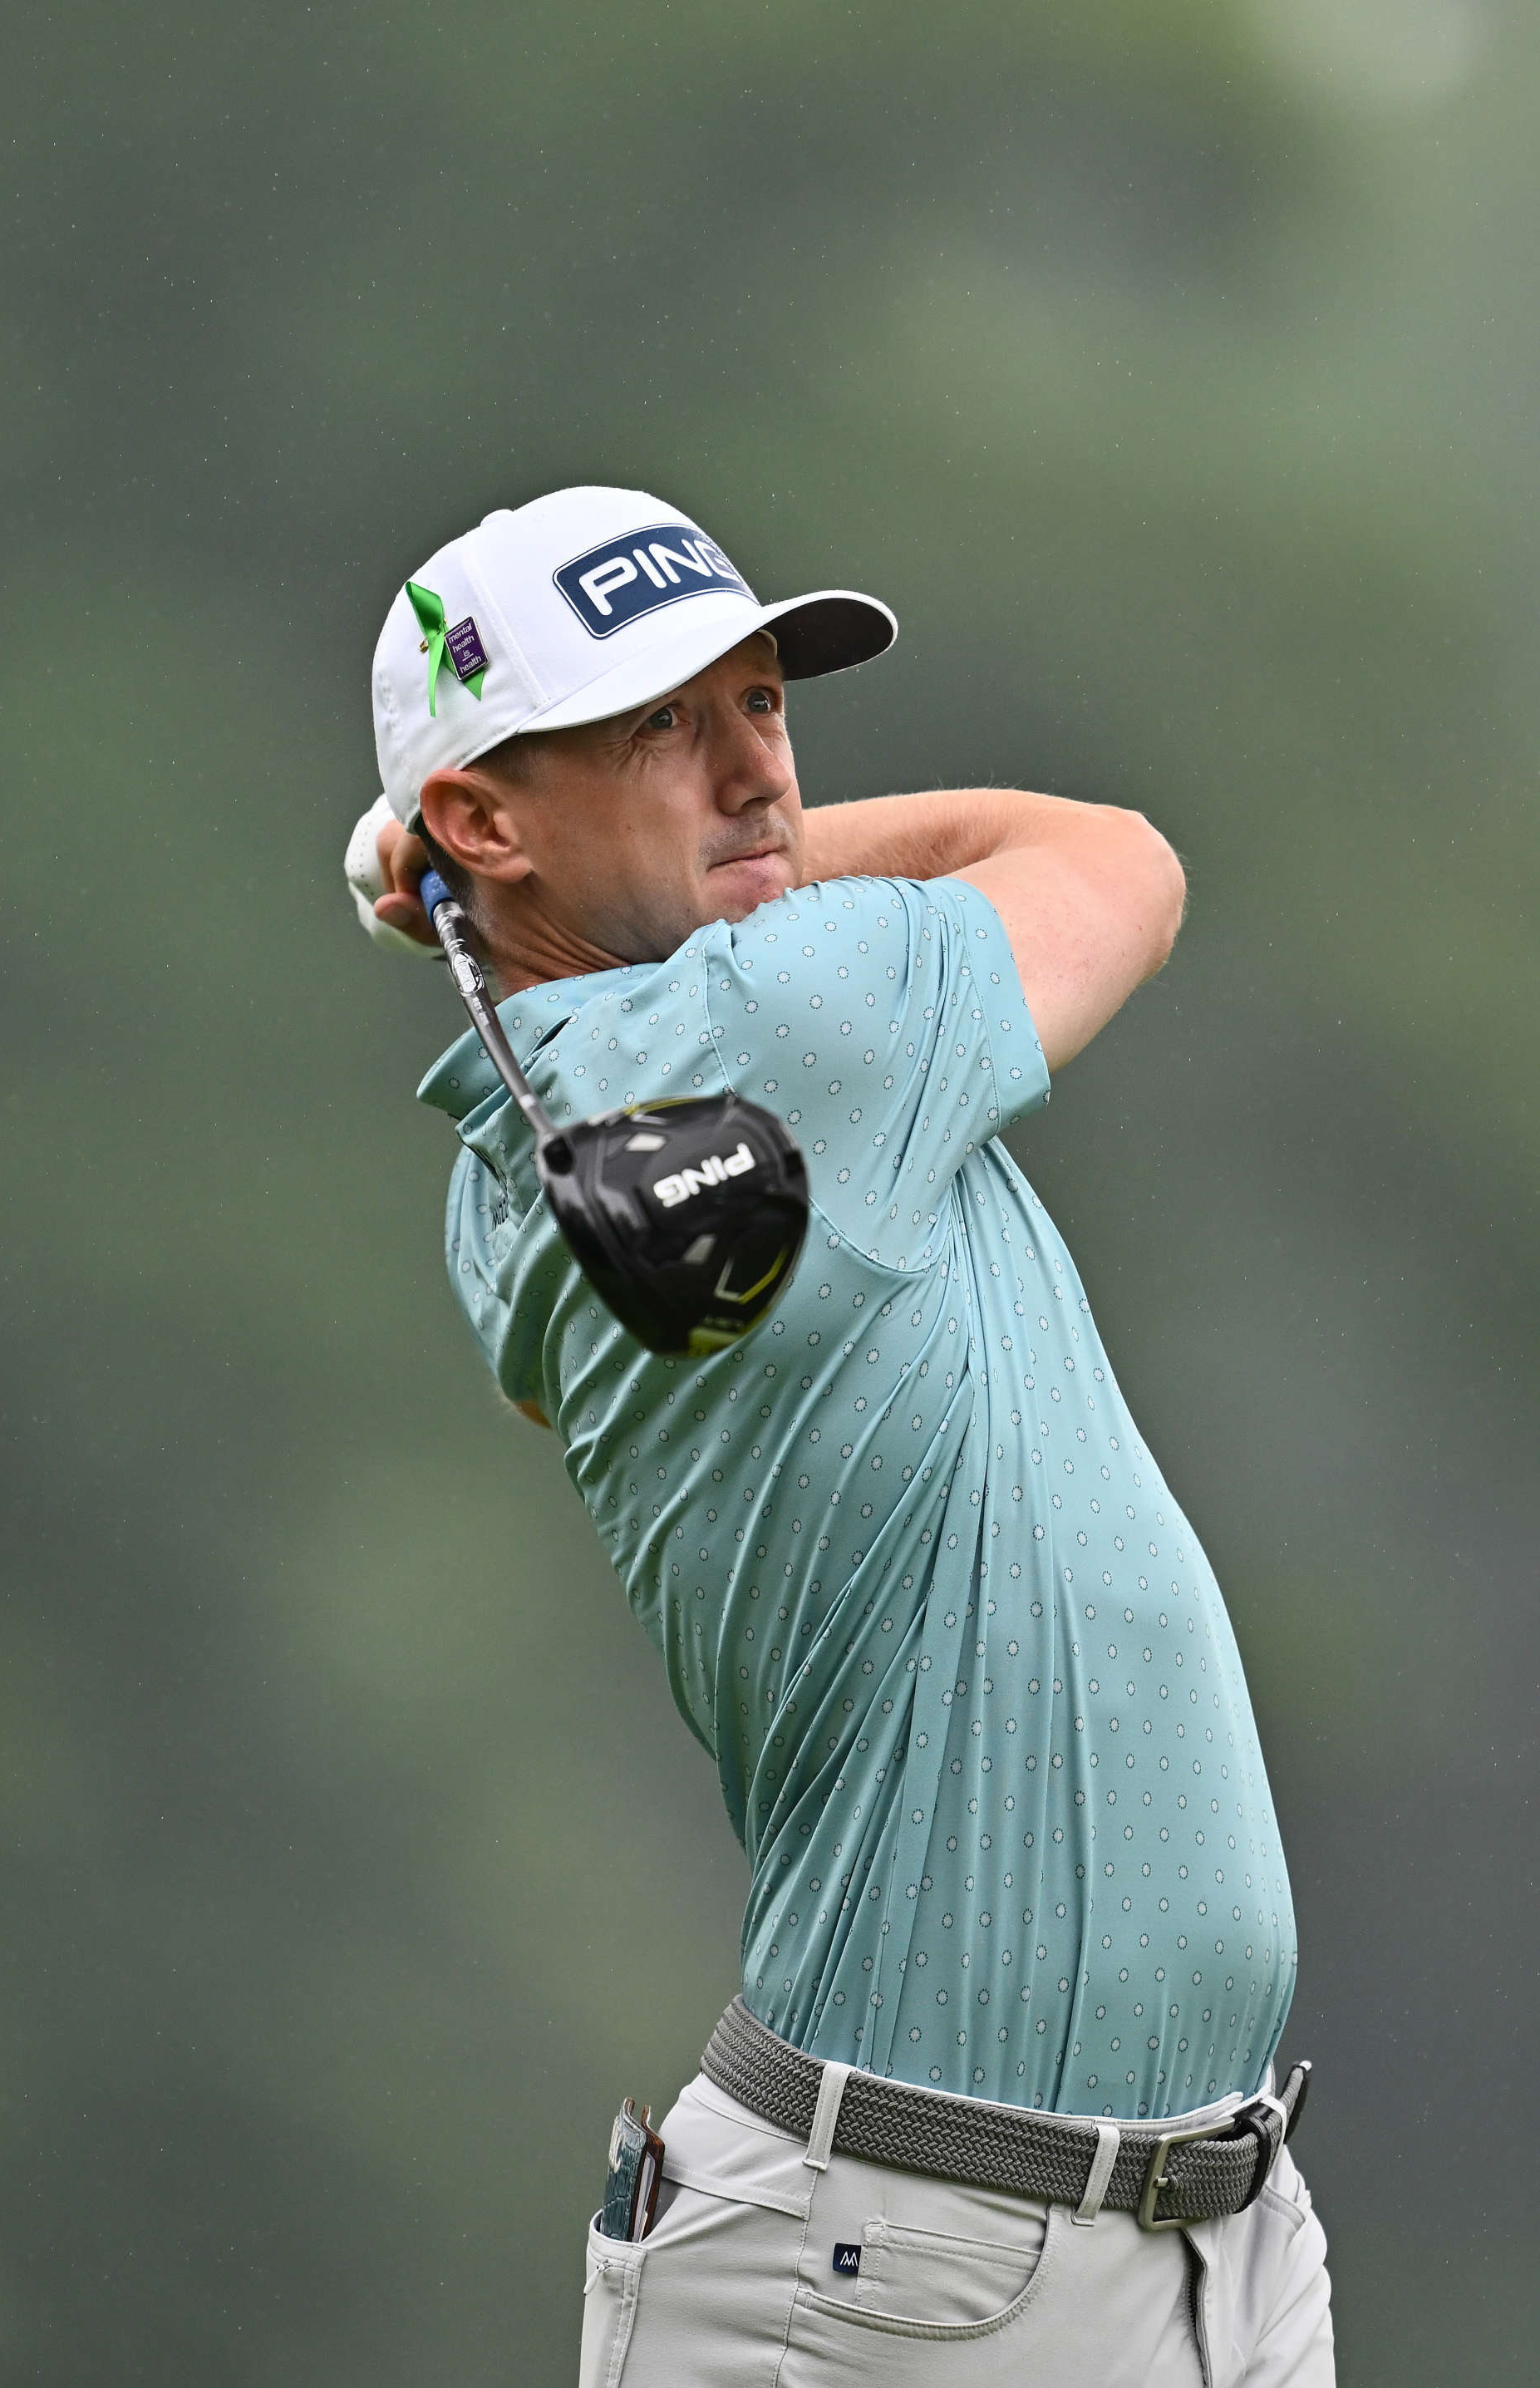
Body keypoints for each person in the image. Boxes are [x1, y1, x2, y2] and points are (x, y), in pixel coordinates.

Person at [344, 485, 1334, 2386]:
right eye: (663, 728)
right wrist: (458, 875)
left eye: (764, 707)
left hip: (1193, 2246)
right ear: (481, 816)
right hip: (903, 2275)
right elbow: (1111, 855)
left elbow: (634, 927)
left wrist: (489, 874)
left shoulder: (528, 1136)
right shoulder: (792, 1025)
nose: (758, 776)